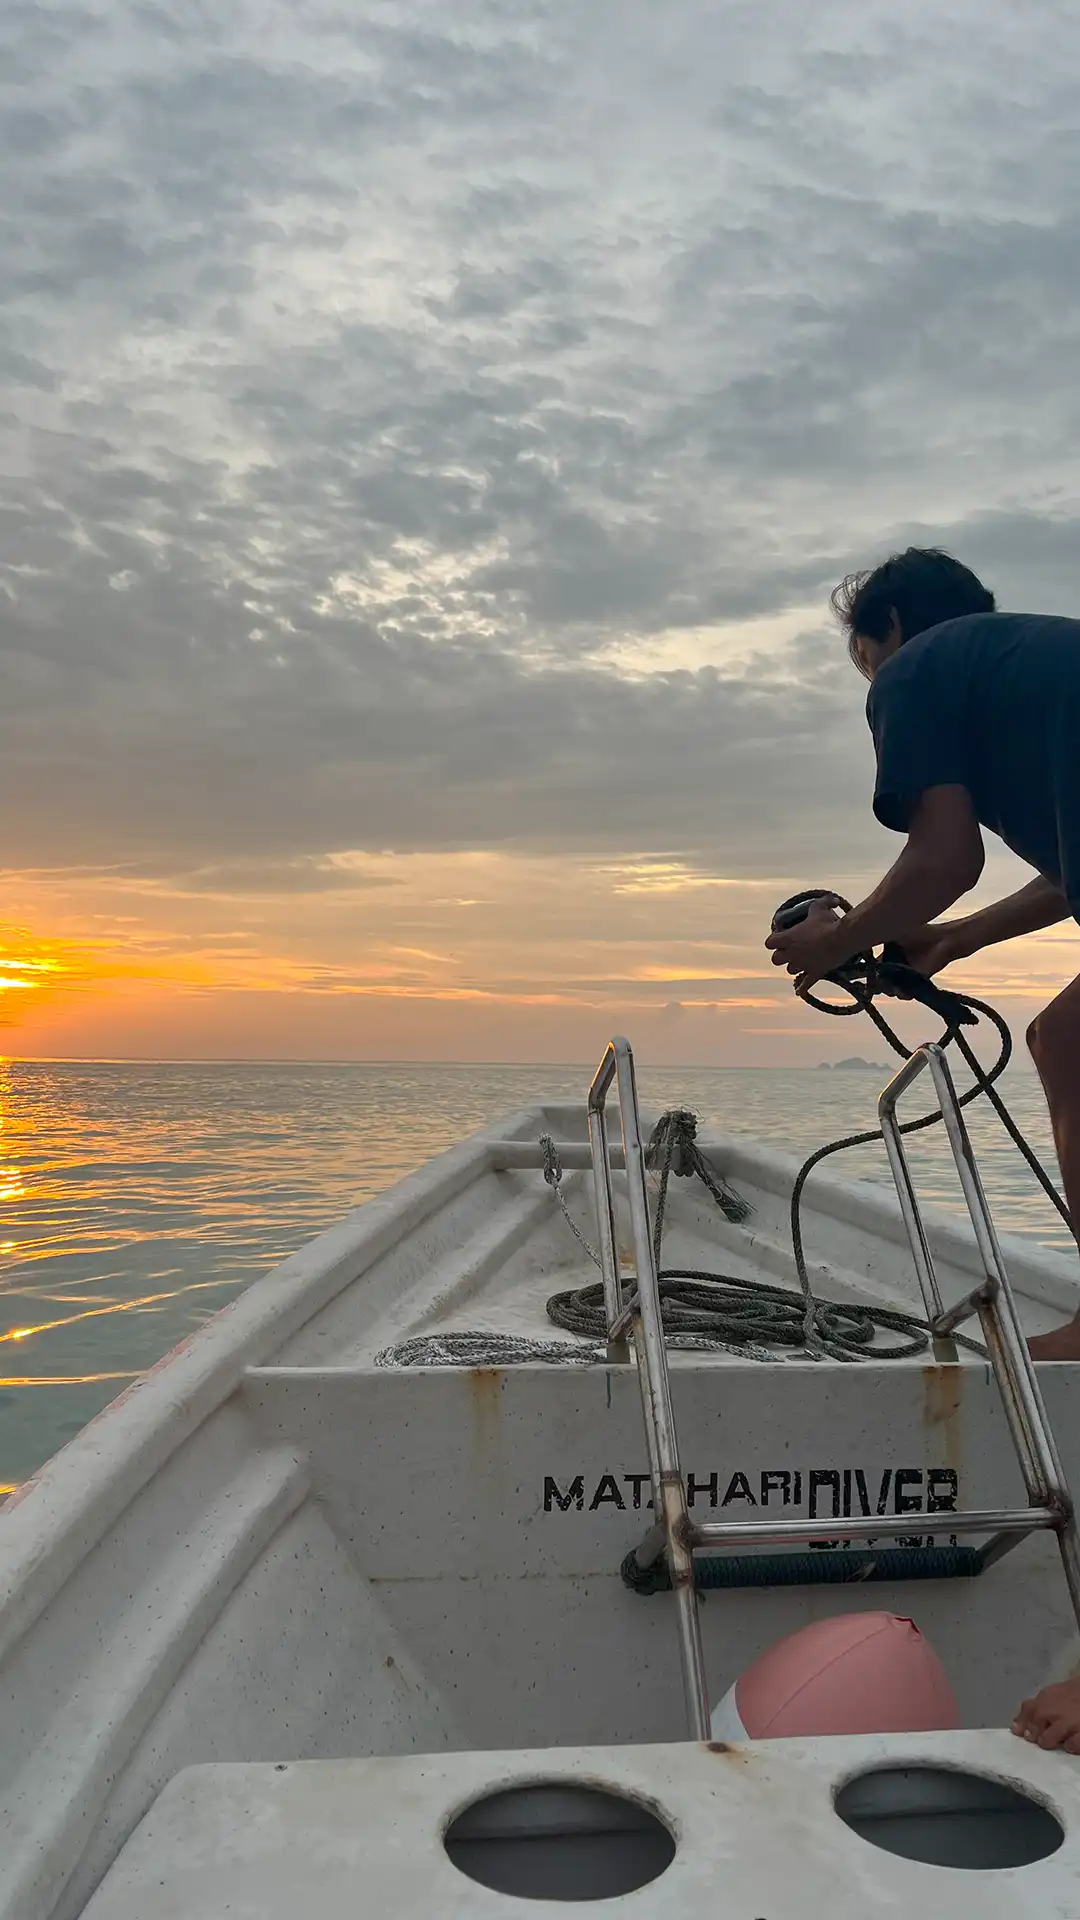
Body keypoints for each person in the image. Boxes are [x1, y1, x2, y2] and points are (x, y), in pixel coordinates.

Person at [765, 545, 1080, 1752]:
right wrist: (943, 945)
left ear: (886, 628)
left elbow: (941, 854)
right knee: (1069, 1041)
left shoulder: (918, 671)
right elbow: (1052, 874)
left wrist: (840, 938)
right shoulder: (1033, 666)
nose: (868, 679)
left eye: (862, 654)